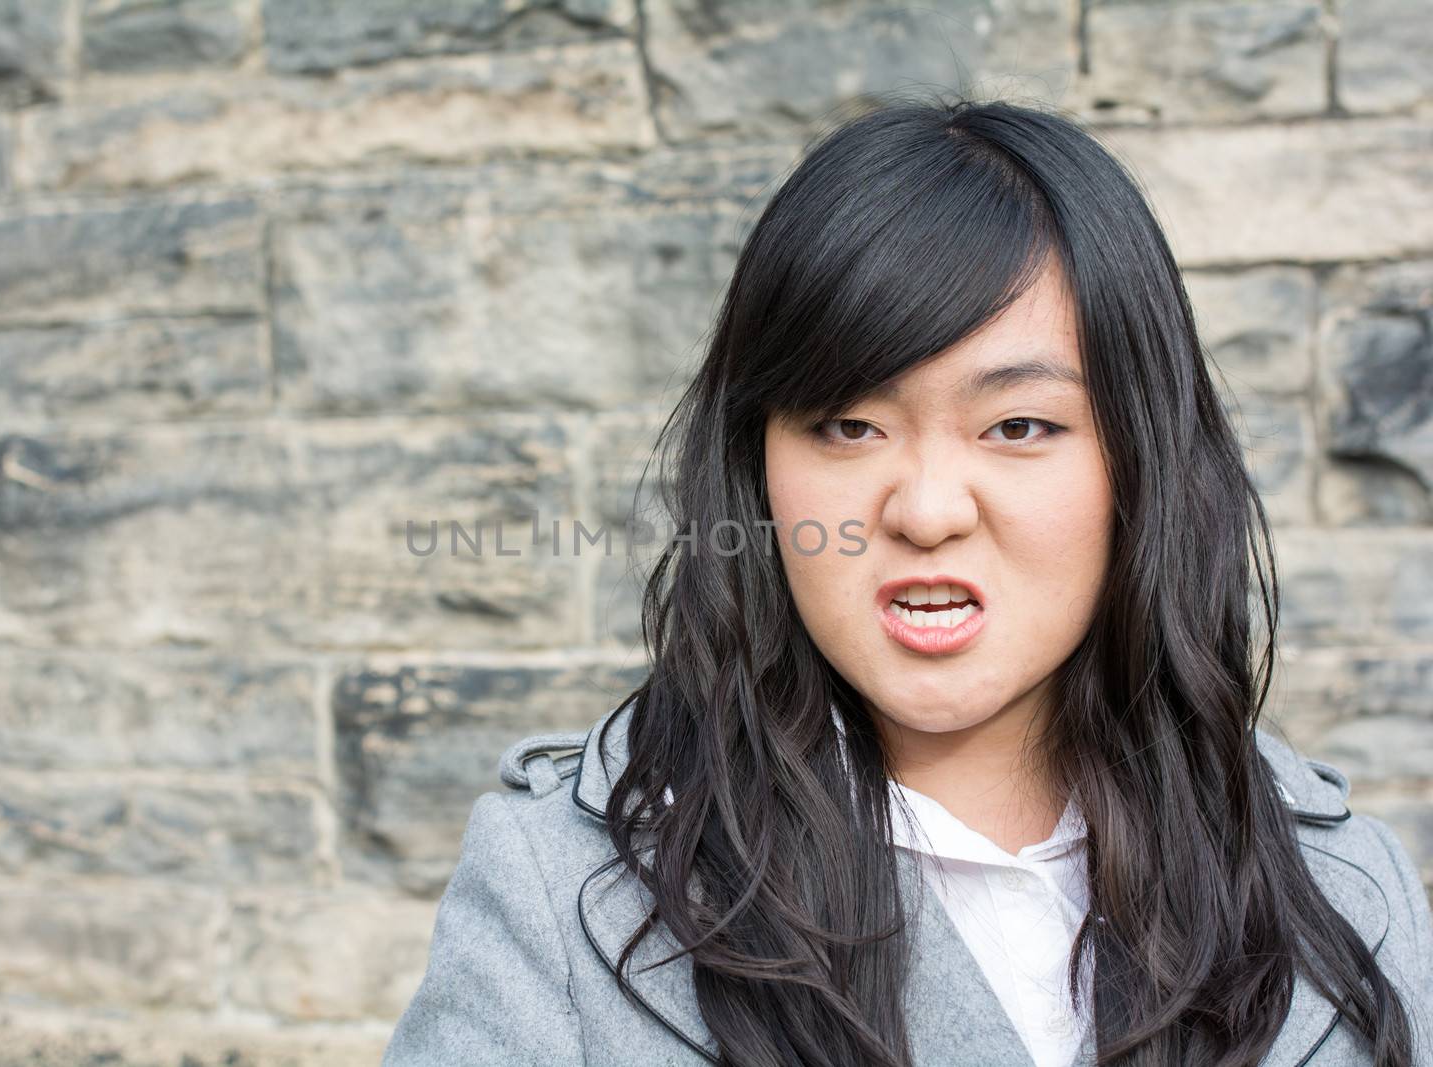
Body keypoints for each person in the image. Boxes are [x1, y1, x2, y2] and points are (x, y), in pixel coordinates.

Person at [383, 95, 1433, 1067]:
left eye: (1019, 425)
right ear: (754, 469)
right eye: (849, 425)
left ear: (1138, 462)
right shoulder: (568, 890)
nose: (926, 510)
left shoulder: (1340, 891)